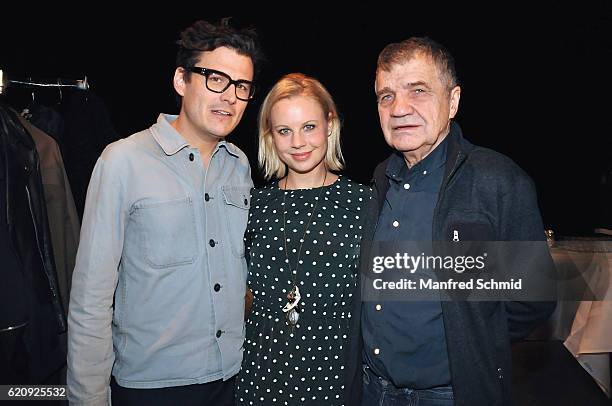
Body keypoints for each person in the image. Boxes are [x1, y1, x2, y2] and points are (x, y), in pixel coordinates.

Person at [67, 19, 263, 406]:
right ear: (181, 80)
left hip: (234, 378)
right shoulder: (123, 161)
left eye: (242, 87)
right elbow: (91, 297)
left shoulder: (239, 165)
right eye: (216, 79)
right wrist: (87, 398)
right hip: (151, 390)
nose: (229, 97)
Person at [361, 37, 555, 405]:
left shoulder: (497, 180)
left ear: (453, 101)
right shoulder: (380, 178)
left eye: (417, 90)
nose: (399, 108)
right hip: (373, 390)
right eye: (386, 96)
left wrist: (474, 336)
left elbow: (532, 299)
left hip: (450, 395)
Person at [235, 73, 375, 406]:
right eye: (285, 131)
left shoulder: (365, 203)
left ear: (330, 124)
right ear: (270, 136)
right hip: (259, 378)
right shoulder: (253, 204)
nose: (298, 142)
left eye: (309, 127)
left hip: (335, 379)